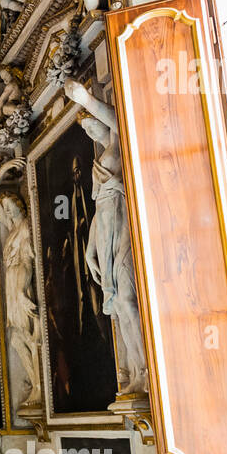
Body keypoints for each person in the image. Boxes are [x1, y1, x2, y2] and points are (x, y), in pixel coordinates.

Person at [64, 80, 148, 397]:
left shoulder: (121, 140)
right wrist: (89, 250)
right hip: (106, 223)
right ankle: (137, 372)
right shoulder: (100, 161)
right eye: (85, 130)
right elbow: (98, 210)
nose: (90, 131)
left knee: (127, 297)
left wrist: (85, 99)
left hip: (125, 218)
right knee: (116, 301)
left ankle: (145, 371)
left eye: (90, 124)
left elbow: (118, 121)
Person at [0, 158, 43, 412]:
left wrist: (22, 290)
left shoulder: (29, 226)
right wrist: (4, 170)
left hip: (22, 276)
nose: (6, 212)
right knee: (17, 338)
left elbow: (33, 258)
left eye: (10, 207)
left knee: (30, 332)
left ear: (20, 206)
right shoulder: (10, 227)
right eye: (4, 209)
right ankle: (35, 382)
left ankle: (40, 385)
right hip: (11, 279)